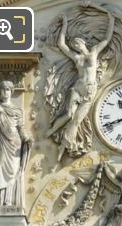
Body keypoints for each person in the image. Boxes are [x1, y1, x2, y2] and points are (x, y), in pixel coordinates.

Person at [46, 9, 115, 161]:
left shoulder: (94, 53)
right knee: (69, 114)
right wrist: (64, 24)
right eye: (74, 44)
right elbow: (61, 44)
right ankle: (52, 130)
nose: (75, 45)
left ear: (83, 42)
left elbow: (106, 39)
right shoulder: (76, 57)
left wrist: (111, 20)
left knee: (76, 120)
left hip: (89, 90)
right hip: (78, 87)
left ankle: (63, 146)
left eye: (77, 42)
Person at [0, 80, 32, 207]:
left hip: (14, 143)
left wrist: (26, 138)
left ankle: (8, 201)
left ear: (12, 92)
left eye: (8, 89)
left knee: (12, 173)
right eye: (3, 89)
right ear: (0, 91)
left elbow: (21, 127)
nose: (5, 92)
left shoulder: (17, 110)